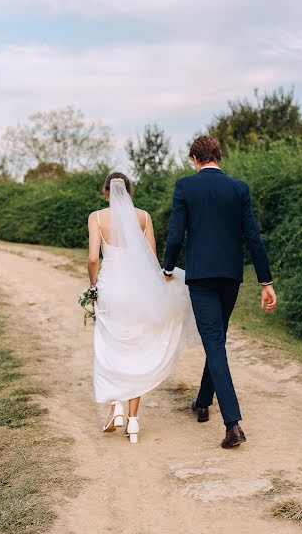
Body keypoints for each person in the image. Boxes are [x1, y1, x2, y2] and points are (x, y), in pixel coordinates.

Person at [163, 135, 276, 449]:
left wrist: (168, 268)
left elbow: (175, 235)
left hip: (200, 277)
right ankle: (202, 402)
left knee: (214, 343)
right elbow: (253, 237)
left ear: (195, 159)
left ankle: (232, 424)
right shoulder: (239, 188)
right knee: (217, 341)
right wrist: (266, 282)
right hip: (230, 277)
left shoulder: (185, 186)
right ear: (218, 157)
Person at [87, 172, 199, 444]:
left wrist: (93, 287)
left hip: (110, 290)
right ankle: (134, 421)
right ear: (130, 191)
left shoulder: (97, 218)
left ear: (106, 192)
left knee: (111, 346)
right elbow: (151, 260)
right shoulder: (144, 217)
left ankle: (116, 408)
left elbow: (92, 259)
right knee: (136, 347)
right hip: (137, 291)